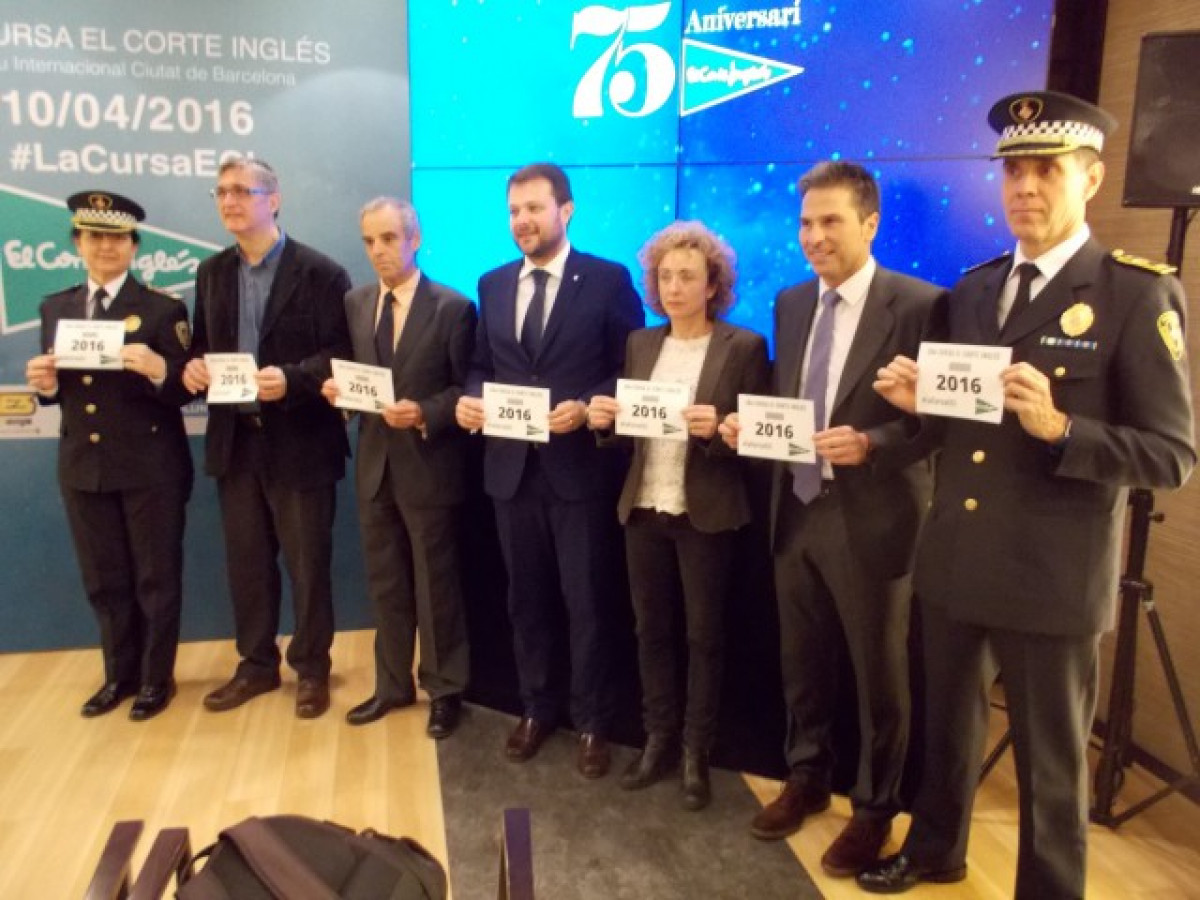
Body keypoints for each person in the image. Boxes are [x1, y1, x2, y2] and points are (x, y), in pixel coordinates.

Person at [858, 91, 1195, 898]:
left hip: (1051, 573)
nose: (1026, 188)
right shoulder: (974, 290)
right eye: (1013, 172)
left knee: (1049, 764)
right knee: (947, 731)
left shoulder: (1135, 293)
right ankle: (935, 850)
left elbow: (1172, 456)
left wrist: (1061, 427)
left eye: (1048, 170)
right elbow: (963, 424)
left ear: (1091, 179)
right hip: (957, 557)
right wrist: (920, 406)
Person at [718, 161, 943, 875]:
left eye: (831, 222)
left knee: (880, 678)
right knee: (803, 662)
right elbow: (790, 405)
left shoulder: (921, 304)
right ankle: (807, 776)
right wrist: (748, 428)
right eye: (806, 223)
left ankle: (874, 810)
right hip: (797, 511)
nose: (814, 236)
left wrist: (873, 443)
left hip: (875, 518)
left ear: (870, 224)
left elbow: (942, 425)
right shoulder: (790, 302)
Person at [455, 162, 643, 778]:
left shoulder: (608, 280)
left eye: (534, 208)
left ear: (566, 211)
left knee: (587, 604)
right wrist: (473, 397)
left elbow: (632, 366)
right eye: (514, 211)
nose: (522, 221)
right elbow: (482, 364)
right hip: (511, 471)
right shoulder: (492, 283)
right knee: (526, 601)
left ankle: (593, 722)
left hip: (579, 472)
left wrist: (589, 405)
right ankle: (536, 709)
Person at [586, 221, 769, 809]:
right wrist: (605, 423)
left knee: (704, 637)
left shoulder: (743, 346)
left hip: (705, 513)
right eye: (665, 276)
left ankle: (696, 751)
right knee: (651, 633)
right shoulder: (641, 344)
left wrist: (719, 432)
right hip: (644, 506)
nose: (674, 287)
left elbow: (755, 440)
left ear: (713, 285)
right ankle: (657, 739)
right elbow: (631, 432)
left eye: (687, 276)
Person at [183, 156, 352, 720]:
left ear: (273, 201)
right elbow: (202, 347)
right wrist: (194, 366)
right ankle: (256, 665)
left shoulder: (322, 272)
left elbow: (342, 354)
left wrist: (295, 379)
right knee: (248, 566)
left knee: (308, 566)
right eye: (221, 192)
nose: (229, 201)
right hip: (237, 443)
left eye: (241, 191)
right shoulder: (211, 273)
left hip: (301, 440)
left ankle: (312, 669)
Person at [26, 190, 193, 721]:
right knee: (104, 580)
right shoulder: (56, 308)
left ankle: (155, 678)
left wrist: (160, 370)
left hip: (150, 465)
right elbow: (62, 392)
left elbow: (184, 390)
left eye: (117, 238)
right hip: (84, 464)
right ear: (77, 243)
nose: (106, 247)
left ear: (134, 246)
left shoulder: (162, 308)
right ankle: (118, 675)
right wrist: (45, 386)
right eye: (94, 237)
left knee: (154, 578)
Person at [321, 197, 475, 738]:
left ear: (415, 239)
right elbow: (358, 375)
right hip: (374, 465)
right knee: (385, 582)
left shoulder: (453, 307)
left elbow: (465, 388)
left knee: (436, 585)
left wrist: (426, 412)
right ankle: (391, 684)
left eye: (388, 239)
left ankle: (444, 689)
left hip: (429, 465)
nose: (378, 251)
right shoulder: (357, 302)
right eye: (369, 241)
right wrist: (339, 392)